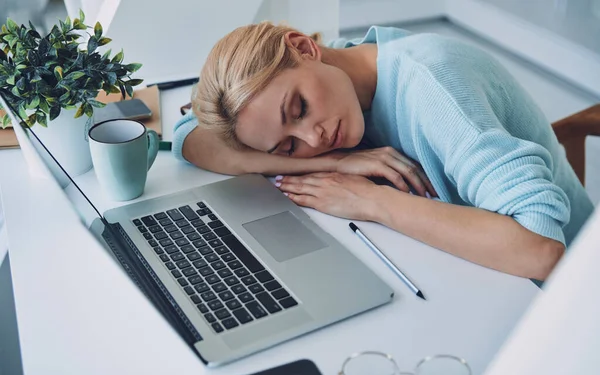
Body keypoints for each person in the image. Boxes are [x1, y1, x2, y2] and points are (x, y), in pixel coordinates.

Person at [172, 23, 594, 281]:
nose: (314, 138)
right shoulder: (346, 64)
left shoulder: (434, 90)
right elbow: (189, 139)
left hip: (564, 296)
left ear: (303, 47)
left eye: (298, 108)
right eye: (289, 145)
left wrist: (372, 202)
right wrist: (335, 161)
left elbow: (541, 250)